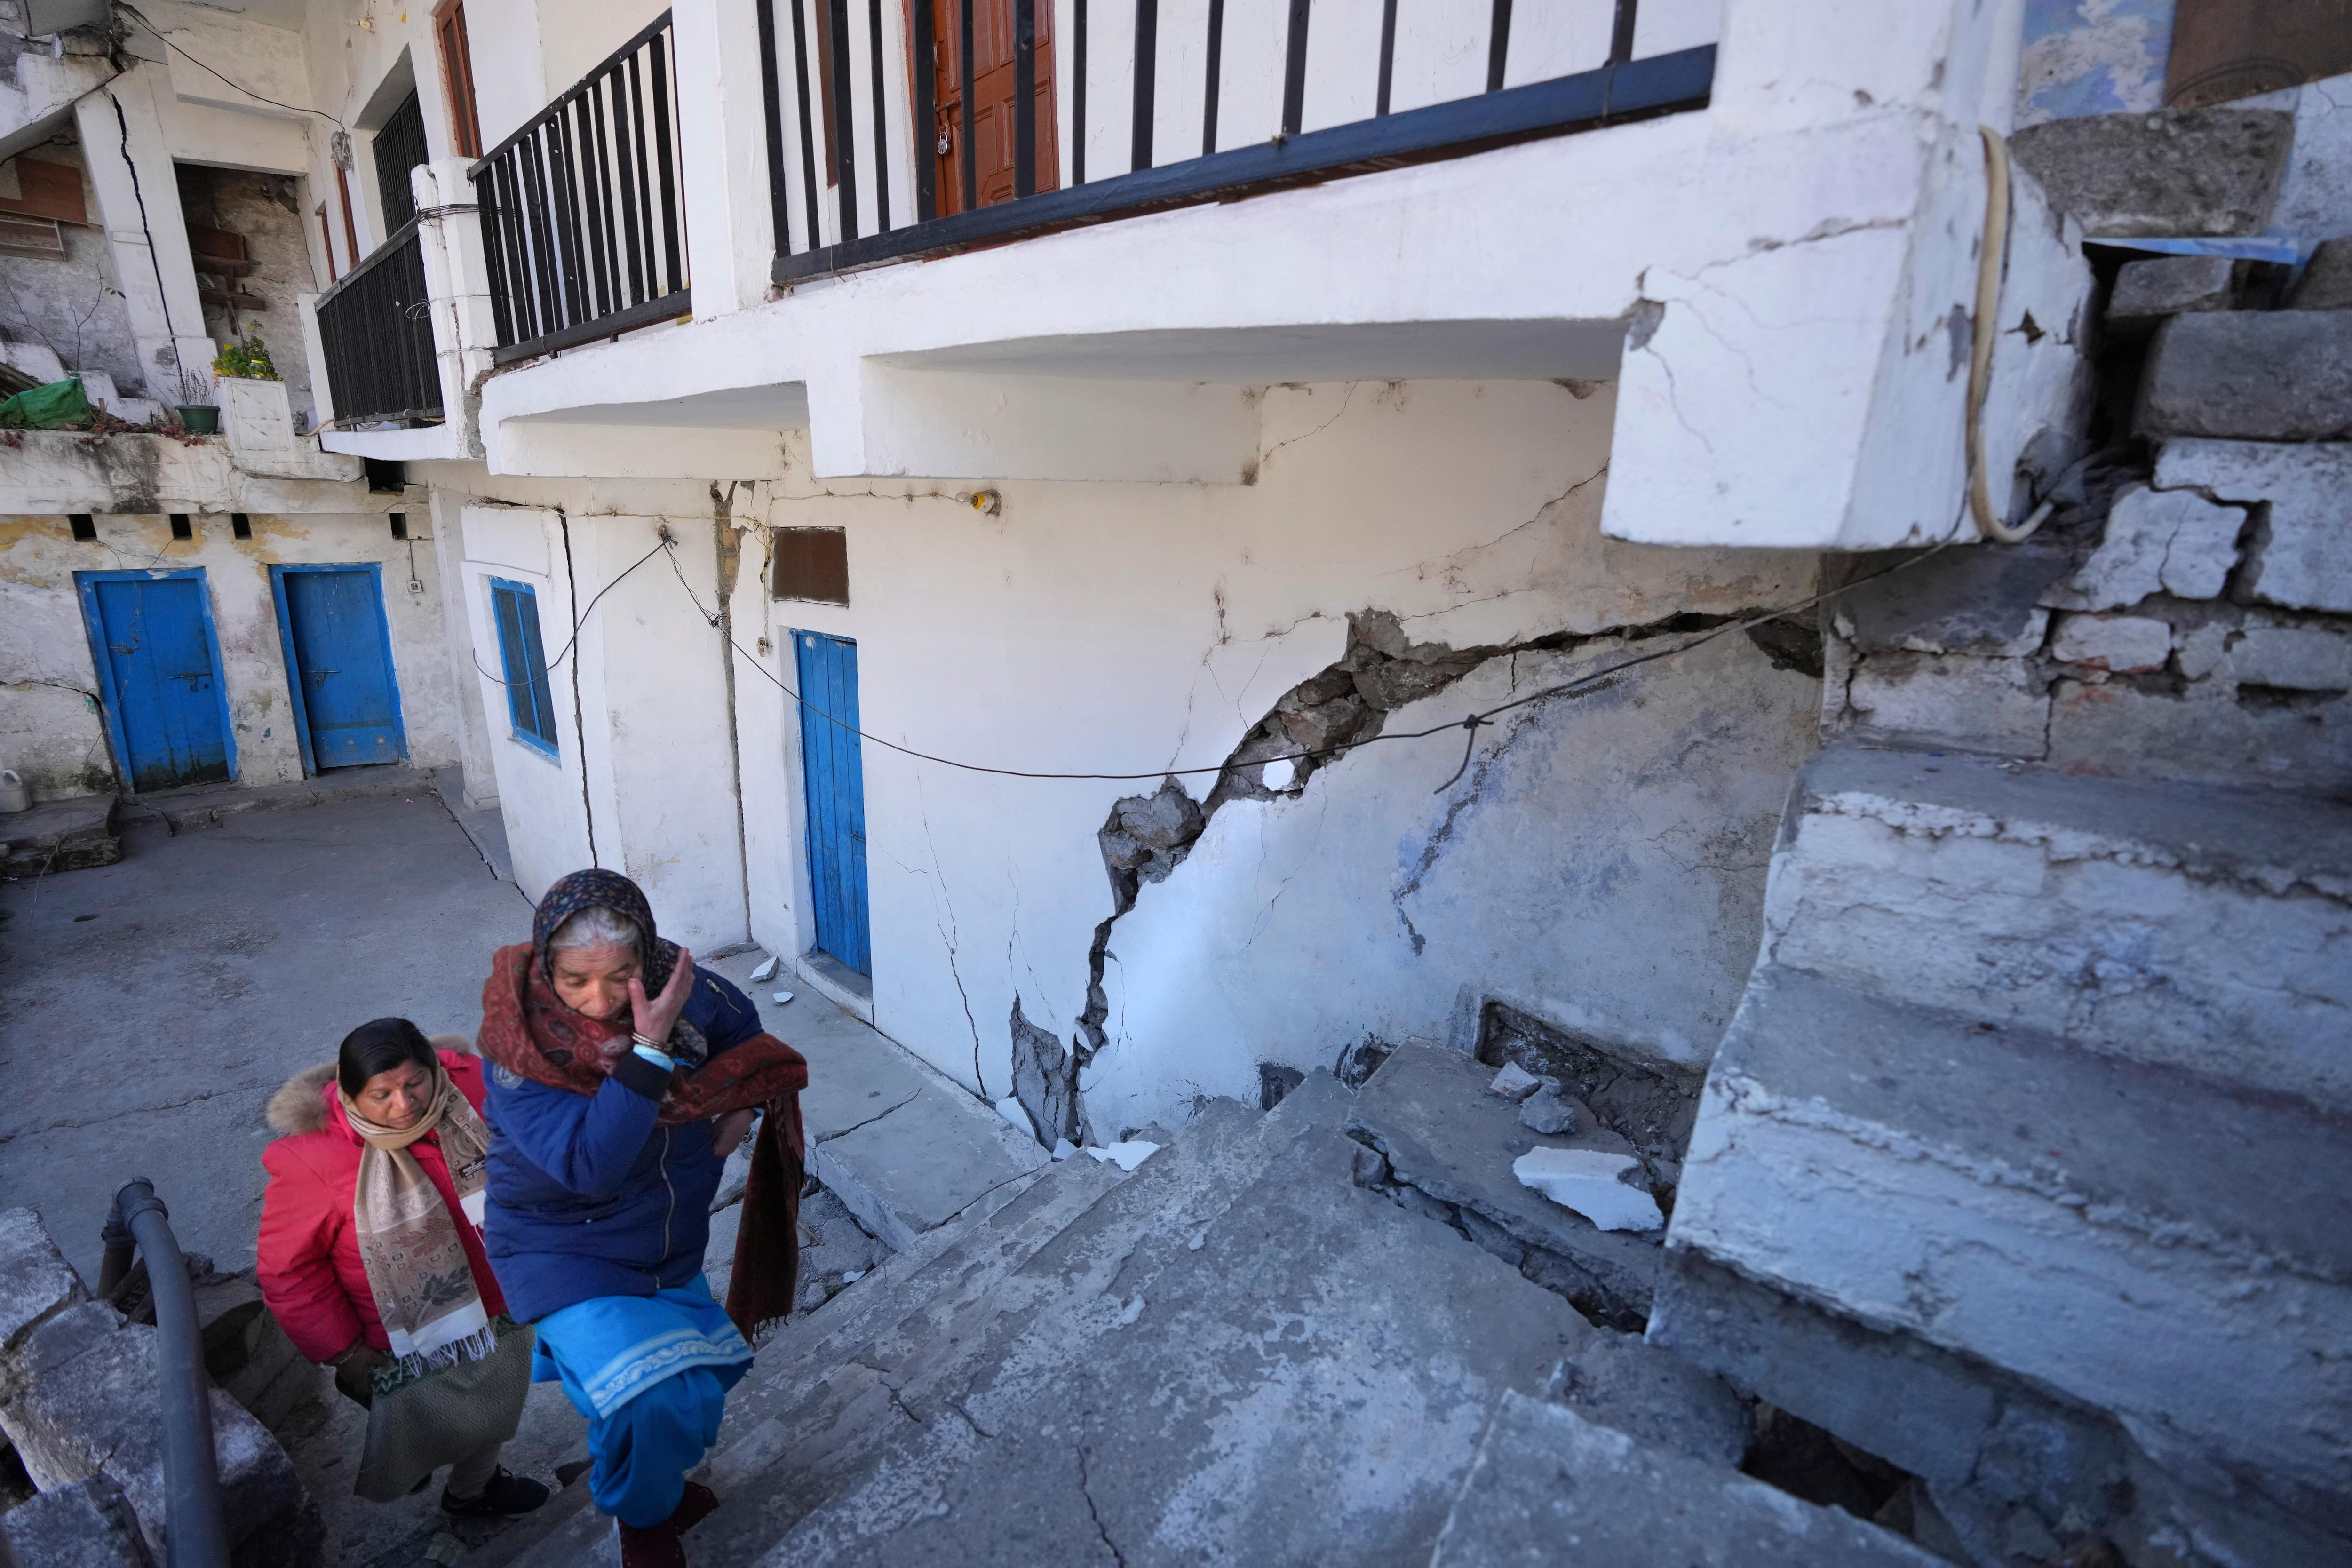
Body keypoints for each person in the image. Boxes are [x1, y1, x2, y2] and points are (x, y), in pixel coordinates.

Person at [477, 869, 808, 1568]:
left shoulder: (681, 990)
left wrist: (743, 1101)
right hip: (563, 1250)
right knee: (648, 1398)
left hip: (666, 1242)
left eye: (619, 975)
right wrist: (652, 1050)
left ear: (647, 957)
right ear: (546, 966)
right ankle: (640, 1515)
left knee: (693, 1392)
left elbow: (743, 1029)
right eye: (576, 982)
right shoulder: (520, 1054)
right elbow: (590, 1166)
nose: (600, 1003)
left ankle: (651, 1481)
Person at [258, 1019, 552, 1515]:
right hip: (404, 1334)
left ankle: (473, 1491)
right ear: (349, 1096)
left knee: (495, 1404)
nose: (405, 1104)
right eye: (383, 1094)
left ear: (435, 1070)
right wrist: (347, 1353)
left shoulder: (475, 1089)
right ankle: (430, 1468)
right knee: (432, 1421)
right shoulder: (311, 1159)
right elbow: (288, 1272)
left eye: (415, 1083)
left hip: (503, 1298)